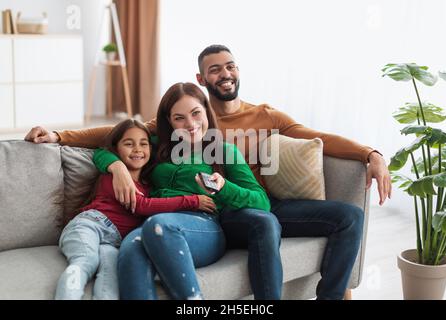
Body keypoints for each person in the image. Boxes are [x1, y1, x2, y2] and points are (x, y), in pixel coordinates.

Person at [25, 45, 391, 299]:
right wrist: (70, 140)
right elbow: (114, 137)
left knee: (340, 217)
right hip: (199, 215)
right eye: (215, 68)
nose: (225, 73)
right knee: (135, 249)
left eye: (229, 65)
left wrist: (367, 152)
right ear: (202, 78)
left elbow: (315, 139)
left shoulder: (260, 119)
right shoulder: (166, 131)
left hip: (241, 205)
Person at [94, 82, 278, 299]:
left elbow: (262, 202)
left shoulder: (224, 151)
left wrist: (224, 188)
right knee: (130, 249)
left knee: (158, 225)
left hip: (202, 228)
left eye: (196, 113)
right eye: (179, 118)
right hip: (151, 222)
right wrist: (117, 168)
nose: (190, 124)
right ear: (169, 122)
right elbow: (103, 148)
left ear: (206, 111)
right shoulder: (155, 146)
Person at [55, 119, 209, 299]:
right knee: (86, 261)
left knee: (110, 277)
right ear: (116, 149)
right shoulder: (113, 176)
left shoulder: (148, 186)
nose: (137, 149)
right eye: (129, 144)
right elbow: (142, 206)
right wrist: (192, 201)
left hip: (113, 242)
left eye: (144, 144)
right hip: (89, 225)